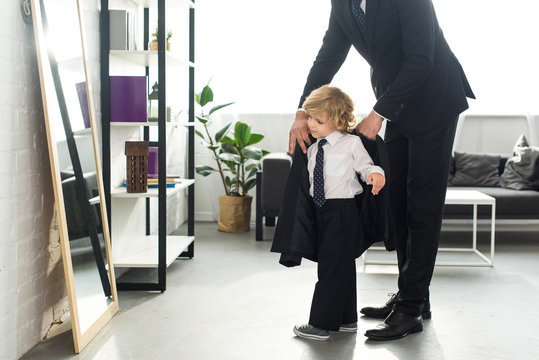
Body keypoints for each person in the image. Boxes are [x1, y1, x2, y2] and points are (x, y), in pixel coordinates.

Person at [289, 0, 475, 341]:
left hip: (434, 99)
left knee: (422, 203)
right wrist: (303, 110)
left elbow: (422, 58)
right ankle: (416, 297)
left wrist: (378, 113)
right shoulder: (342, 3)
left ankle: (410, 308)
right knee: (398, 201)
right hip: (398, 103)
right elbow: (329, 54)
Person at [290, 85, 385, 341]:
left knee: (330, 268)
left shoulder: (351, 143)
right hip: (323, 212)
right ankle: (346, 319)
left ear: (339, 120)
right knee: (341, 266)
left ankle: (320, 324)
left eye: (319, 120)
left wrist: (376, 174)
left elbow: (366, 166)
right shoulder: (313, 149)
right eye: (310, 117)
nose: (311, 124)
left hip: (343, 212)